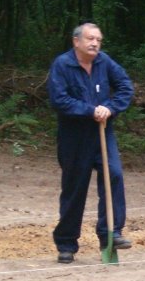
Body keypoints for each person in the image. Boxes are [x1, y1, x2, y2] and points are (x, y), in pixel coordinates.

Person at [47, 23, 134, 263]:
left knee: (113, 175)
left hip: (103, 131)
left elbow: (125, 87)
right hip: (74, 136)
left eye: (98, 39)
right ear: (76, 41)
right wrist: (90, 110)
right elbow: (58, 99)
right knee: (75, 188)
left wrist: (110, 107)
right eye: (90, 39)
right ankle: (66, 244)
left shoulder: (105, 62)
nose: (95, 43)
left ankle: (111, 233)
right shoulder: (62, 65)